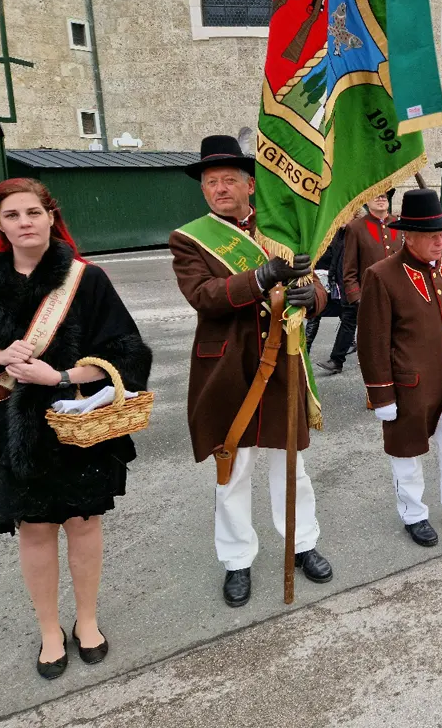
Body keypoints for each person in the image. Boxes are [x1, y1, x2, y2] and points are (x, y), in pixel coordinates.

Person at [0, 178, 152, 679]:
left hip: (75, 420)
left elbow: (127, 353)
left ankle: (86, 621)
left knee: (83, 523)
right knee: (35, 529)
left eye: (33, 213)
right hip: (8, 429)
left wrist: (60, 375)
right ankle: (48, 630)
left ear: (50, 216)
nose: (25, 223)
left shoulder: (87, 280)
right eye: (13, 215)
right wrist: (0, 356)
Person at [169, 135, 332, 608]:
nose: (219, 189)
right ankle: (237, 559)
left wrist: (311, 298)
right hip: (228, 367)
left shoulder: (281, 226)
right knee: (233, 468)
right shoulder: (189, 238)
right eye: (210, 182)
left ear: (250, 185)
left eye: (228, 180)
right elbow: (204, 296)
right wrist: (262, 277)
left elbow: (315, 284)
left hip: (283, 362)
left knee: (292, 465)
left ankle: (302, 543)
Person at [358, 188, 442, 547]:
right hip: (410, 383)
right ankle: (414, 515)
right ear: (408, 236)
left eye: (441, 233)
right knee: (407, 453)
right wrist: (381, 394)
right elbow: (372, 342)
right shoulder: (382, 275)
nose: (439, 241)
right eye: (430, 235)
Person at [333, 190, 400, 375]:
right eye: (376, 194)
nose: (381, 198)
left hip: (400, 298)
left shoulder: (399, 225)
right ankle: (377, 394)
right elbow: (349, 271)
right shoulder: (356, 228)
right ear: (365, 201)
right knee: (375, 351)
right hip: (371, 301)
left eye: (385, 195)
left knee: (401, 347)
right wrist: (358, 299)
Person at [306, 215, 358, 364]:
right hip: (323, 278)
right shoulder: (328, 233)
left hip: (338, 280)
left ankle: (344, 349)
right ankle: (307, 350)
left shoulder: (348, 235)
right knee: (316, 312)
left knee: (346, 314)